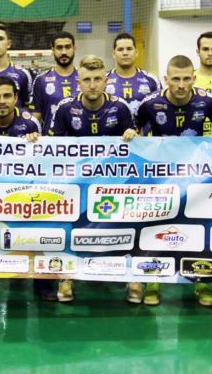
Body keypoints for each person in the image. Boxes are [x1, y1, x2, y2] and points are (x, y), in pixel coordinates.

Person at [134, 55, 212, 306]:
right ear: (166, 79)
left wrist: (210, 147)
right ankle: (153, 281)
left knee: (196, 226)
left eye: (186, 79)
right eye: (176, 79)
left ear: (193, 78)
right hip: (160, 179)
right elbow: (137, 131)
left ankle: (200, 280)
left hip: (196, 178)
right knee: (155, 228)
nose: (181, 85)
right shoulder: (150, 104)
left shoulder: (207, 101)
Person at [49, 55, 137, 302]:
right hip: (76, 184)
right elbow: (53, 148)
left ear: (106, 80)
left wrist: (133, 134)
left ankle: (131, 277)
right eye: (87, 79)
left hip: (113, 183)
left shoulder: (120, 107)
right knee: (71, 228)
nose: (92, 85)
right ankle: (66, 277)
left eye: (98, 79)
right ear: (78, 82)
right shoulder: (66, 108)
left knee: (124, 227)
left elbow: (136, 150)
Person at [0, 77, 56, 301]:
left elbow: (43, 161)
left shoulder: (30, 124)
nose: (2, 101)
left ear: (16, 98)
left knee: (35, 230)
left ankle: (42, 280)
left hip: (22, 190)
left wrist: (37, 143)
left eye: (7, 96)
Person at [32, 31, 78, 134]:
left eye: (68, 47)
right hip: (51, 143)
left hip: (79, 143)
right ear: (53, 50)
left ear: (74, 49)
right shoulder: (41, 80)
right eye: (59, 48)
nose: (64, 52)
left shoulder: (85, 79)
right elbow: (36, 116)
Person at [106, 33, 161, 115]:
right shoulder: (103, 80)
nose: (125, 53)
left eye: (129, 49)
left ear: (136, 52)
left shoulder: (152, 80)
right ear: (113, 54)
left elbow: (160, 107)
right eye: (120, 49)